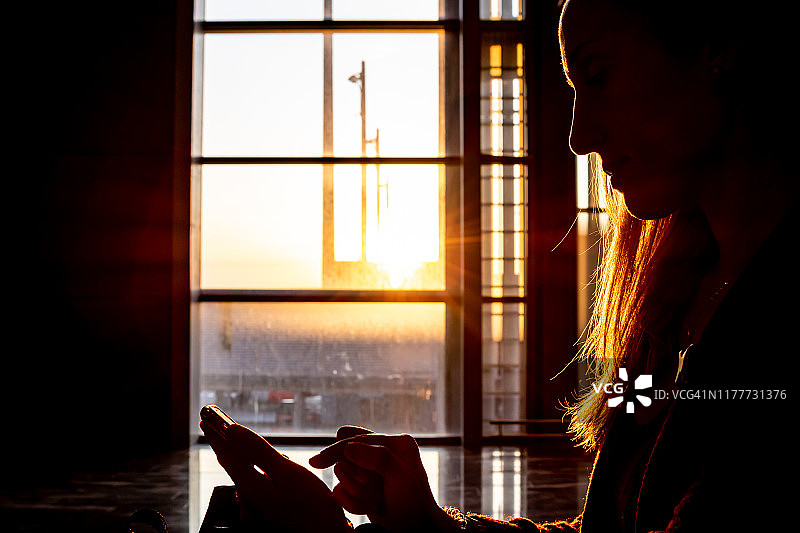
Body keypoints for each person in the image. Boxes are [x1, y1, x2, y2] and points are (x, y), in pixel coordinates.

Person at [202, 0, 799, 531]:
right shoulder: (675, 299)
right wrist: (430, 526)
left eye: (598, 76)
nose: (578, 135)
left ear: (717, 47)